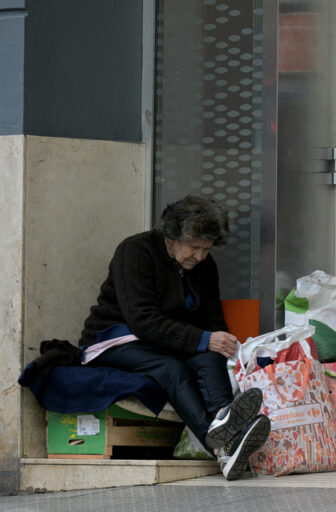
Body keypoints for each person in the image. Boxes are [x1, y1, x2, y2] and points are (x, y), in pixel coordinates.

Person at [79, 195, 269, 480]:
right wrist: (204, 338)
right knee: (172, 368)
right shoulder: (134, 251)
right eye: (195, 247)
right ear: (173, 236)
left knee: (210, 353)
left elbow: (211, 320)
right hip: (115, 339)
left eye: (207, 249)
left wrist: (221, 344)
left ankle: (223, 423)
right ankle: (221, 446)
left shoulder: (205, 266)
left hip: (168, 340)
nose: (201, 256)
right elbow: (142, 320)